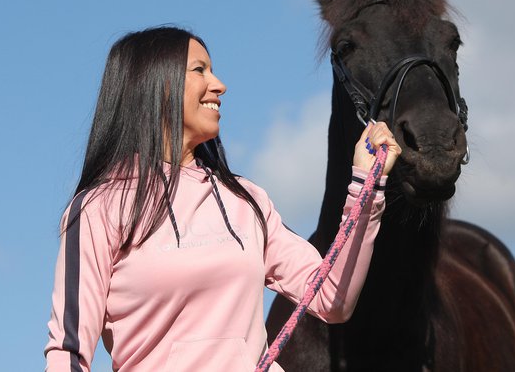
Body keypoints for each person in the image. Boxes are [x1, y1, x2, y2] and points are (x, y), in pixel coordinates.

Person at [44, 26, 400, 371]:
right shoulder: (99, 208)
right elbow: (69, 353)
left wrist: (368, 186)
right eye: (200, 70)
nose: (220, 85)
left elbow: (331, 298)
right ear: (153, 84)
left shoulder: (247, 201)